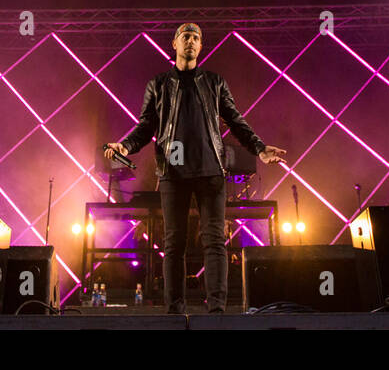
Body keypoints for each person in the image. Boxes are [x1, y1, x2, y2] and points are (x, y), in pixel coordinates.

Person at [106, 23, 286, 313]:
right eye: (185, 37)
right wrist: (125, 146)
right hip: (173, 173)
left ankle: (216, 310)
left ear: (201, 47)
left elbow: (236, 121)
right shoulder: (158, 83)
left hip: (210, 171)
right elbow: (146, 124)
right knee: (173, 243)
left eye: (196, 38)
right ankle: (174, 310)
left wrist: (260, 149)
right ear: (174, 44)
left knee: (214, 241)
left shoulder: (215, 82)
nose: (190, 41)